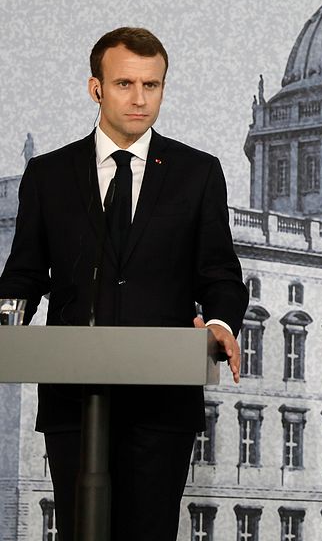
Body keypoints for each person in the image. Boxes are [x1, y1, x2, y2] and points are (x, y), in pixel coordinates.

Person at [0, 27, 248, 541]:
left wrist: (222, 322)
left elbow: (219, 272)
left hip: (162, 400)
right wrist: (7, 318)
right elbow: (23, 274)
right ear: (96, 88)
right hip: (73, 395)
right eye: (125, 84)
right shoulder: (48, 175)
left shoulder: (197, 173)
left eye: (152, 86)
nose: (140, 99)